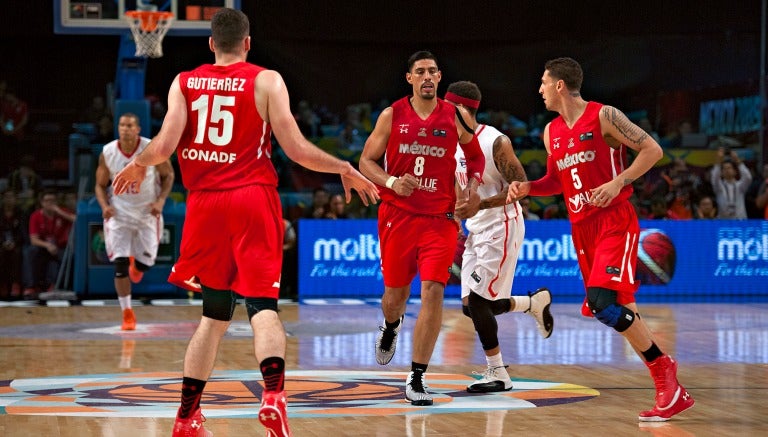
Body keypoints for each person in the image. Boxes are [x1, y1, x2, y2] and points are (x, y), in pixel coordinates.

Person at [111, 8, 378, 437]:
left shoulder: (184, 81)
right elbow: (295, 149)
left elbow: (163, 145)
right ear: (248, 43)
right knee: (263, 309)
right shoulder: (266, 79)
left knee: (213, 315)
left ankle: (185, 417)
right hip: (251, 201)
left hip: (204, 206)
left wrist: (139, 163)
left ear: (212, 43)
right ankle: (273, 396)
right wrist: (343, 167)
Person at [507, 57, 694, 421]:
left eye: (544, 82)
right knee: (620, 310)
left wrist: (619, 180)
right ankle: (669, 391)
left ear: (560, 85)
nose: (540, 89)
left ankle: (665, 369)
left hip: (614, 222)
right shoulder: (551, 132)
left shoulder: (604, 116)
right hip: (582, 230)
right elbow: (556, 181)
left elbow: (652, 150)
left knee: (602, 303)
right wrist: (528, 187)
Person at [358, 50, 485, 406]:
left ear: (440, 77)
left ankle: (416, 377)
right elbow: (366, 161)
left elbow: (475, 157)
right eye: (420, 72)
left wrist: (473, 187)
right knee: (394, 298)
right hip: (398, 216)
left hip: (440, 220)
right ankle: (391, 326)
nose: (427, 77)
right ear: (409, 78)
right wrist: (391, 180)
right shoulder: (392, 115)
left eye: (432, 71)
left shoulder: (455, 116)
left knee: (433, 291)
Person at [446, 81, 553, 393]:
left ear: (462, 109)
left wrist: (484, 203)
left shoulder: (495, 142)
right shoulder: (451, 146)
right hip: (476, 228)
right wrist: (454, 215)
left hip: (502, 225)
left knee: (479, 302)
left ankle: (498, 373)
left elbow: (521, 189)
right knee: (470, 306)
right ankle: (532, 303)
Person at [94, 113, 175, 331]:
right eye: (122, 125)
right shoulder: (108, 152)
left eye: (130, 125)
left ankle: (137, 266)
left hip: (148, 212)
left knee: (144, 264)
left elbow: (169, 175)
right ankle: (127, 312)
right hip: (119, 213)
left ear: (138, 129)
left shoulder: (151, 148)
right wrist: (104, 206)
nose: (125, 129)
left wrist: (160, 201)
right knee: (119, 267)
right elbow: (100, 185)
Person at [23, 190, 76, 299]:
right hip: (43, 247)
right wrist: (47, 245)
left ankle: (55, 285)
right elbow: (34, 239)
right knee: (30, 251)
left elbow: (76, 220)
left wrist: (59, 212)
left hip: (59, 247)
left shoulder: (62, 212)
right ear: (42, 203)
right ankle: (31, 286)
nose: (50, 203)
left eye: (53, 200)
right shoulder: (36, 216)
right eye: (47, 201)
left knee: (69, 255)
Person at [711, 148, 752, 219]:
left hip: (740, 221)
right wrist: (718, 160)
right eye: (724, 168)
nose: (727, 170)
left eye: (729, 168)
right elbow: (714, 177)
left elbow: (748, 177)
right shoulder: (719, 186)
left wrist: (737, 160)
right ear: (721, 173)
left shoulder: (740, 185)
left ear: (735, 171)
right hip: (723, 222)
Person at [0, 189, 25, 299]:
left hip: (16, 243)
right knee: (1, 253)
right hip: (1, 243)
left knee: (17, 253)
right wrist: (2, 243)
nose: (9, 199)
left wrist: (15, 242)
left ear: (16, 199)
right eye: (7, 197)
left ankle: (16, 284)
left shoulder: (22, 213)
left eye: (11, 197)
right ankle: (3, 284)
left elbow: (23, 232)